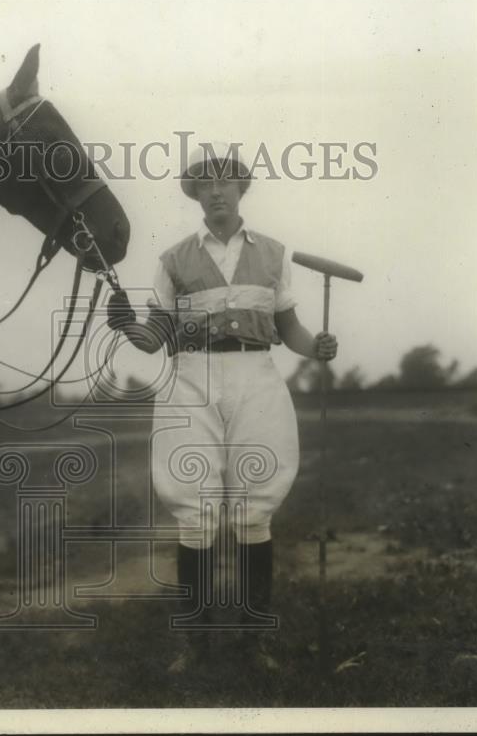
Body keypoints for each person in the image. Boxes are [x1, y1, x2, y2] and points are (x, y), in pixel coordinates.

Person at [106, 143, 337, 673]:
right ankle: (196, 642)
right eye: (204, 185)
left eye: (225, 182)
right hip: (191, 380)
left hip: (256, 377)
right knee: (196, 511)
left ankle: (256, 641)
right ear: (196, 196)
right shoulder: (174, 259)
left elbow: (290, 330)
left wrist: (315, 347)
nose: (215, 192)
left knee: (256, 510)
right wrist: (124, 324)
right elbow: (152, 338)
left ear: (240, 189)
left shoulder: (275, 254)